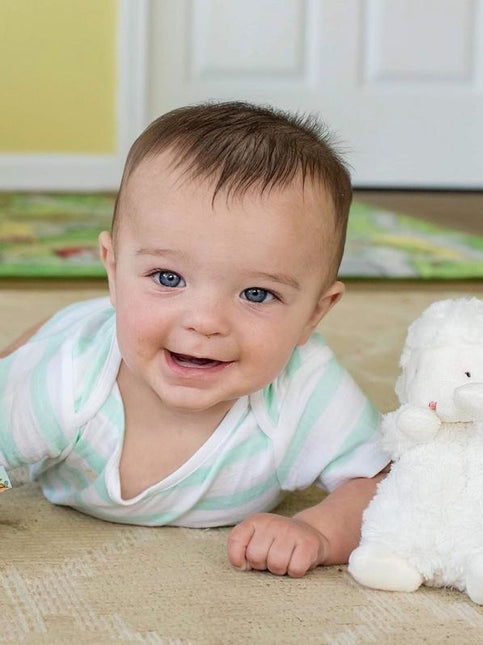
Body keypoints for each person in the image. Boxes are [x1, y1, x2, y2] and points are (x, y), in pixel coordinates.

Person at [0, 101, 390, 578]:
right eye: (167, 278)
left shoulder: (304, 387)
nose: (205, 322)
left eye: (256, 293)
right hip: (71, 337)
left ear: (315, 312)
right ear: (115, 270)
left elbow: (383, 481)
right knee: (25, 355)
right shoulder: (65, 379)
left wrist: (320, 529)